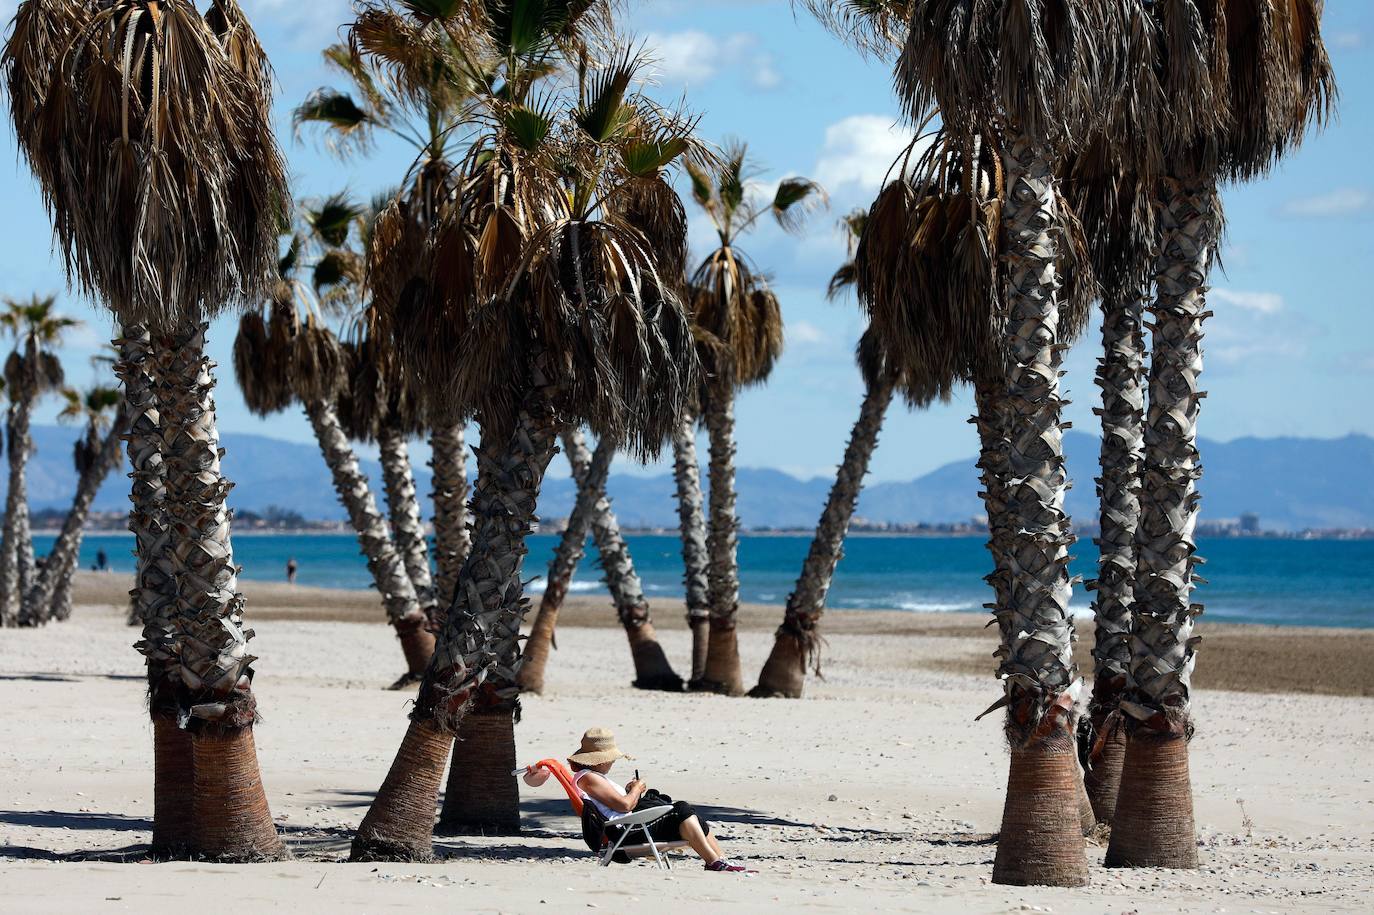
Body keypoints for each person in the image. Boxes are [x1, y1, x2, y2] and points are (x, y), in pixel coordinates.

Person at [529, 727, 750, 873]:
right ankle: (714, 863)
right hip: (625, 833)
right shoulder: (588, 778)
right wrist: (635, 790)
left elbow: (617, 804)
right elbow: (625, 805)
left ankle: (721, 859)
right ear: (598, 760)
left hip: (631, 826)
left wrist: (630, 791)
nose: (612, 762)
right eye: (610, 759)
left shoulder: (592, 777)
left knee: (688, 814)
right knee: (681, 809)